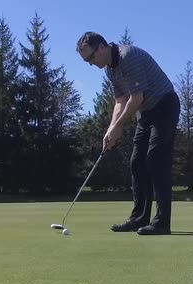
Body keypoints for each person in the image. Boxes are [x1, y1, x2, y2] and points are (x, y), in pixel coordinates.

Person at [76, 32, 180, 235]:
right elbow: (120, 101)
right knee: (137, 162)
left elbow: (137, 97)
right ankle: (138, 218)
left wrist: (119, 126)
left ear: (102, 48)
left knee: (155, 159)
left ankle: (162, 222)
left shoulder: (128, 56)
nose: (90, 63)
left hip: (165, 105)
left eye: (90, 58)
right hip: (147, 112)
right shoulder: (110, 71)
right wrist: (111, 128)